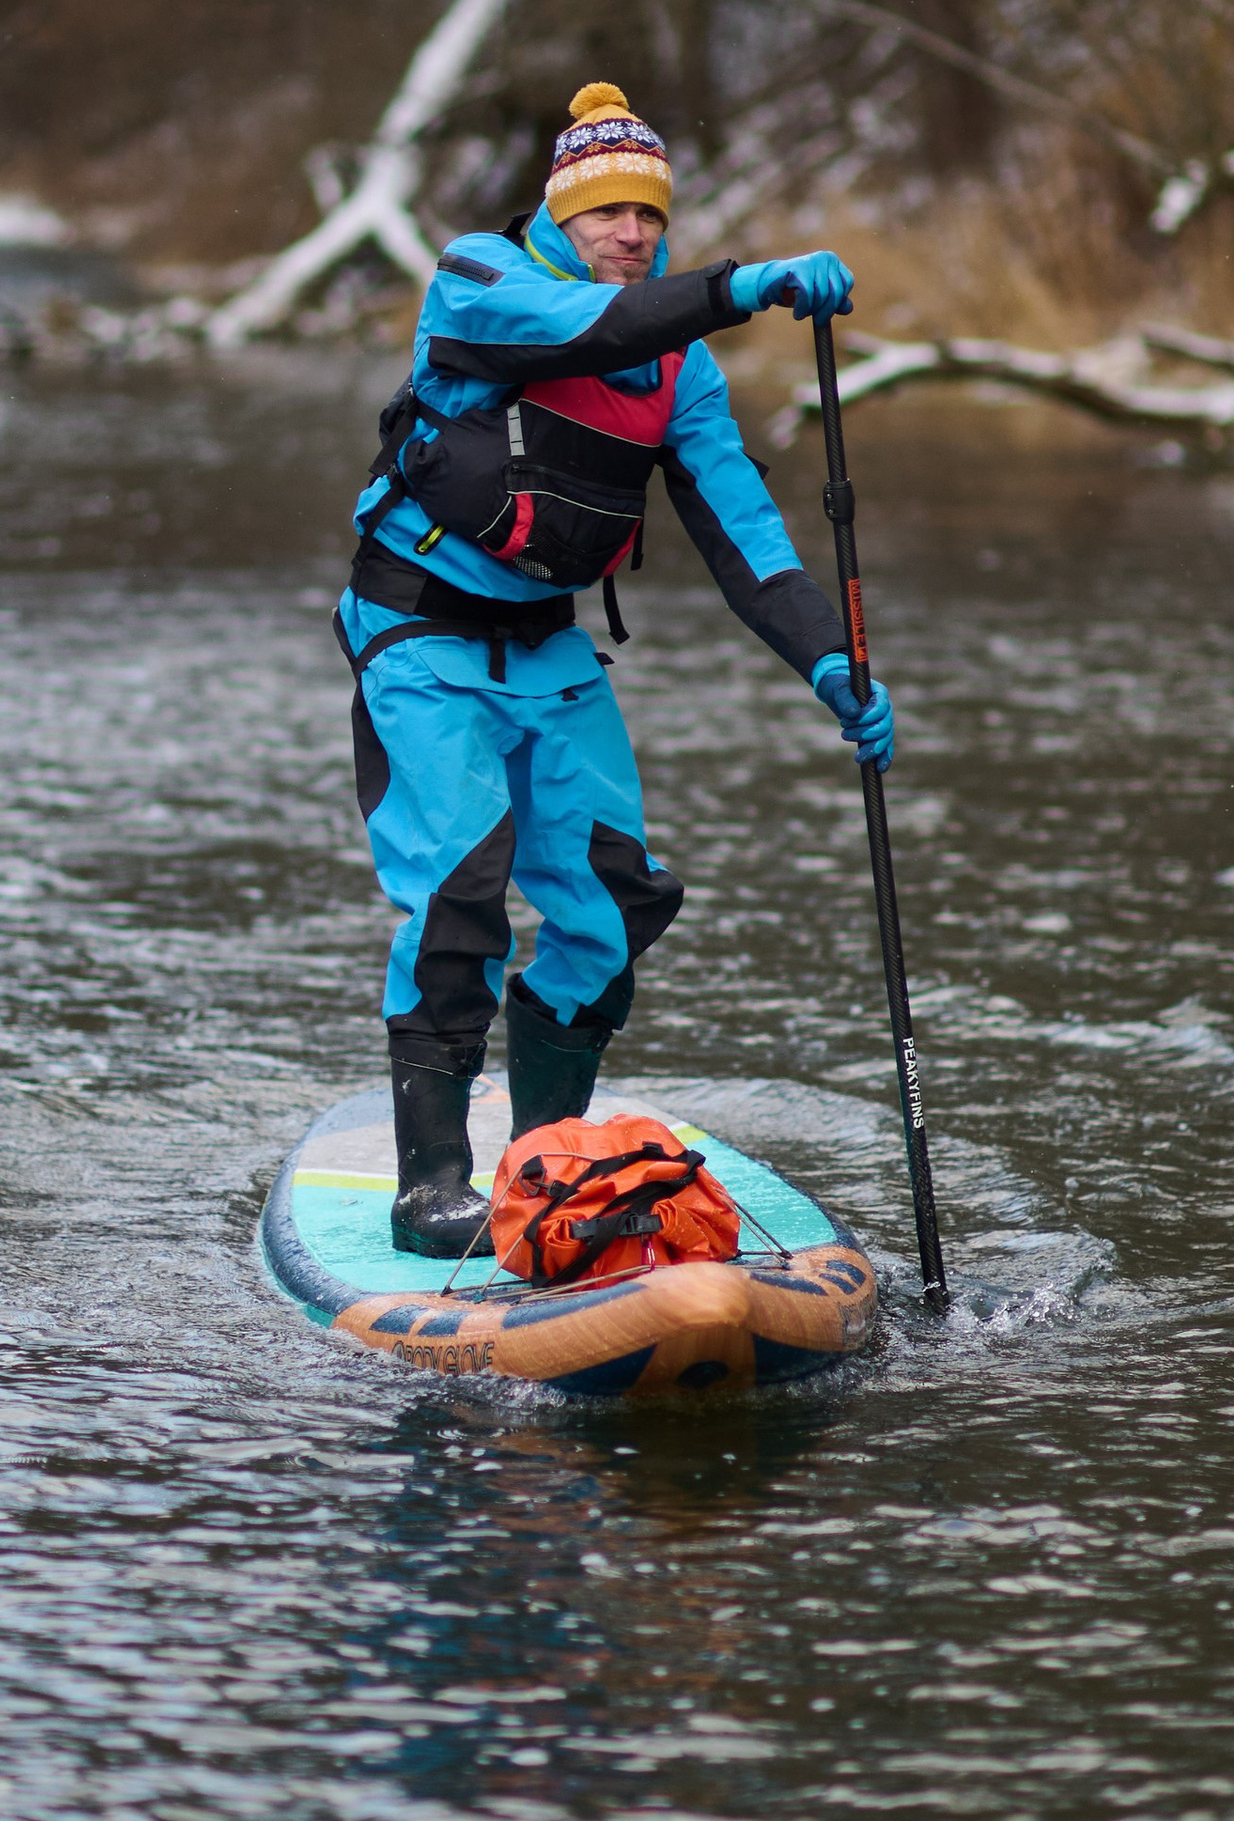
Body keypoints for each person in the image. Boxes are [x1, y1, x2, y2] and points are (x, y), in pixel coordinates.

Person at [338, 80, 896, 1254]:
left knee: (612, 901)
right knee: (461, 887)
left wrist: (832, 662)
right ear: (560, 209)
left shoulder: (679, 369)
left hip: (544, 645)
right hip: (418, 633)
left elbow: (743, 533)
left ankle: (544, 1172)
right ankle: (430, 1185)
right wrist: (742, 287)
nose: (631, 234)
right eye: (607, 213)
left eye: (651, 214)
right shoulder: (480, 282)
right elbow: (590, 332)